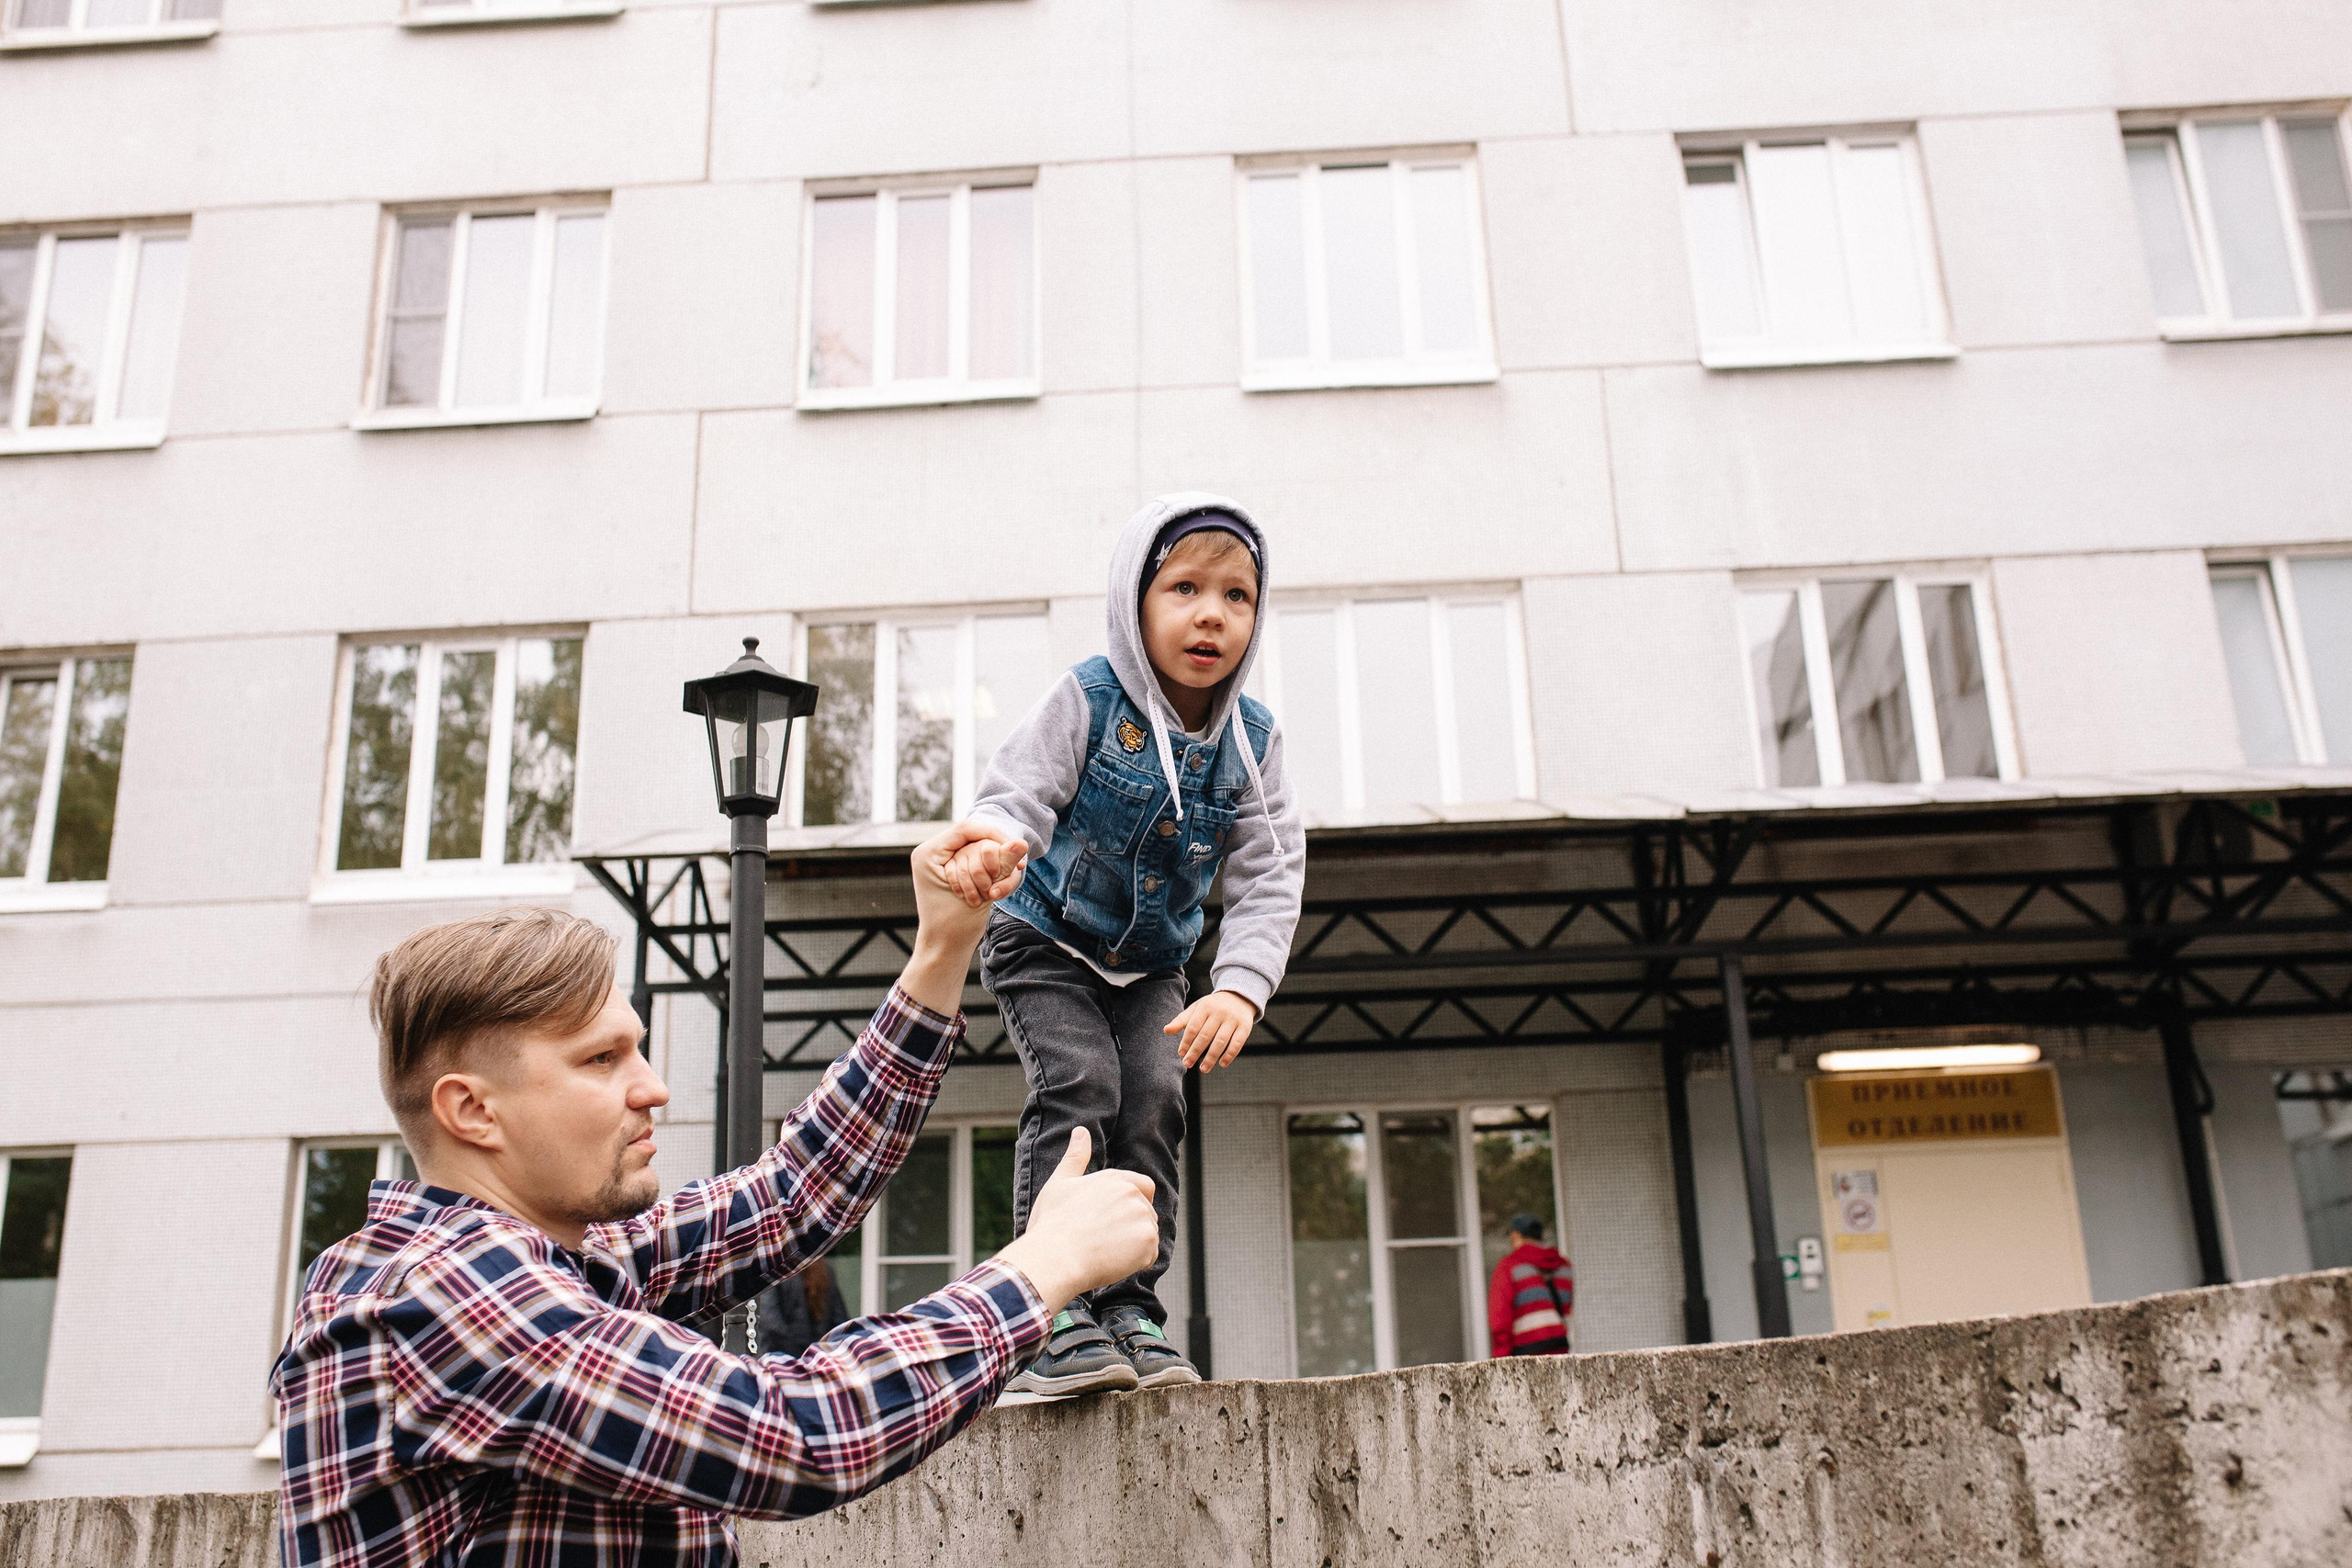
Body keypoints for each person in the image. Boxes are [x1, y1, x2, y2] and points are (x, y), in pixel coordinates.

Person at [270, 820, 1160, 1568]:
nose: (651, 1087)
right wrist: (1041, 1270)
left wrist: (941, 949)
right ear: (472, 1110)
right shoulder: (451, 1293)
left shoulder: (558, 1268)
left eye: (637, 1049)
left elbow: (792, 1195)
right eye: (600, 1059)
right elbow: (801, 1433)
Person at [946, 493, 1304, 1397]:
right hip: (1045, 938)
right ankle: (1046, 1303)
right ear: (1133, 602)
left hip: (1151, 963)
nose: (1211, 613)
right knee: (1081, 1086)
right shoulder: (1089, 696)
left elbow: (1269, 872)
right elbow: (1018, 787)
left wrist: (1240, 986)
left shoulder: (1254, 745)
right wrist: (991, 841)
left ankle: (1128, 1306)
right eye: (1184, 588)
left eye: (1236, 596)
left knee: (1149, 1099)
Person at [1487, 1212, 1575, 1358]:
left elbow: (1500, 1320)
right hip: (1560, 1349)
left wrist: (1500, 1359)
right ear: (1541, 1236)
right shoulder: (1565, 1267)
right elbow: (1567, 1308)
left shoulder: (1509, 1266)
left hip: (1525, 1353)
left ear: (1515, 1236)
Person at [752, 1252, 850, 1359]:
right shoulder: (825, 1270)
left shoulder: (775, 1270)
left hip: (781, 1363)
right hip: (818, 1363)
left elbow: (771, 1324)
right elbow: (841, 1325)